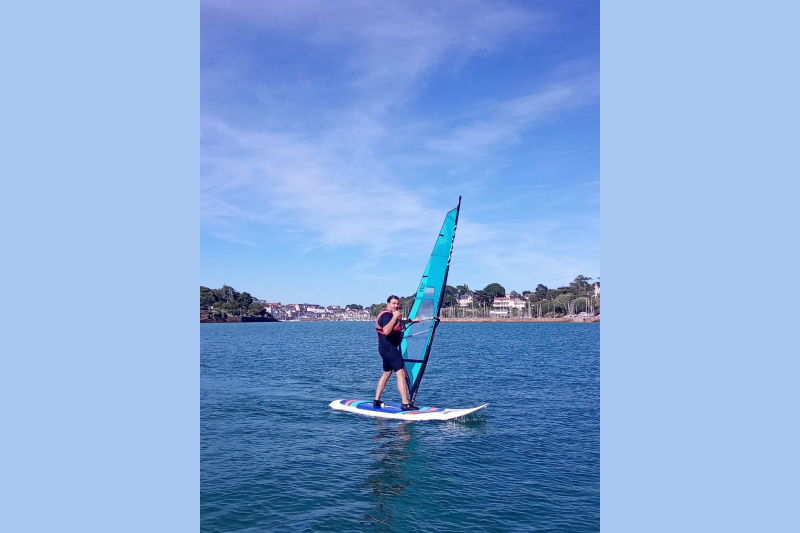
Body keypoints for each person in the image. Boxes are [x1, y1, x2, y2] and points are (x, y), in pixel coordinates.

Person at [373, 295, 420, 411]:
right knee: (401, 374)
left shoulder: (390, 315)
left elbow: (397, 324)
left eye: (397, 304)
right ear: (388, 304)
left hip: (385, 349)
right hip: (390, 349)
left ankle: (376, 400)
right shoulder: (387, 315)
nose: (396, 306)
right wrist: (395, 317)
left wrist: (410, 320)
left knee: (386, 374)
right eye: (393, 303)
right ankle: (405, 403)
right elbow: (386, 330)